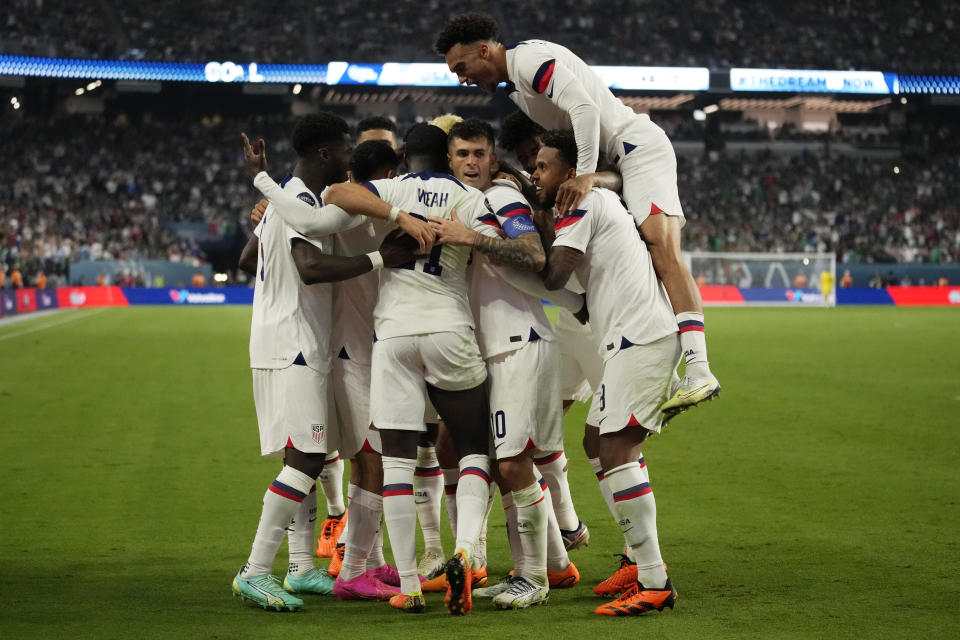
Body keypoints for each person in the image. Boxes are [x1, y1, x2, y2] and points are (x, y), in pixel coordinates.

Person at [435, 13, 720, 420]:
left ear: (484, 50)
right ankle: (670, 373)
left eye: (461, 67)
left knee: (662, 250)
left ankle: (700, 368)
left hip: (637, 149)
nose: (461, 78)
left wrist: (583, 176)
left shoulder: (528, 61)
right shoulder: (516, 89)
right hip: (617, 161)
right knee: (634, 259)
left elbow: (584, 109)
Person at [429, 118, 585, 608]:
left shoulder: (501, 198)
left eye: (479, 153)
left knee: (515, 462)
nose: (472, 162)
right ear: (448, 161)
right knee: (493, 460)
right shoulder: (459, 205)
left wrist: (470, 238)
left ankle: (534, 577)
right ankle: (549, 567)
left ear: (492, 159)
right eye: (462, 154)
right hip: (487, 350)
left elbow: (534, 252)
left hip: (520, 342)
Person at [534, 131, 680, 616]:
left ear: (570, 173)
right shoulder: (599, 198)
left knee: (617, 447)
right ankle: (639, 563)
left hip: (641, 337)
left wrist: (493, 244)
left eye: (544, 166)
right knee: (596, 440)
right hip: (627, 339)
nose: (536, 174)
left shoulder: (583, 202)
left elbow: (554, 274)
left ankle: (654, 580)